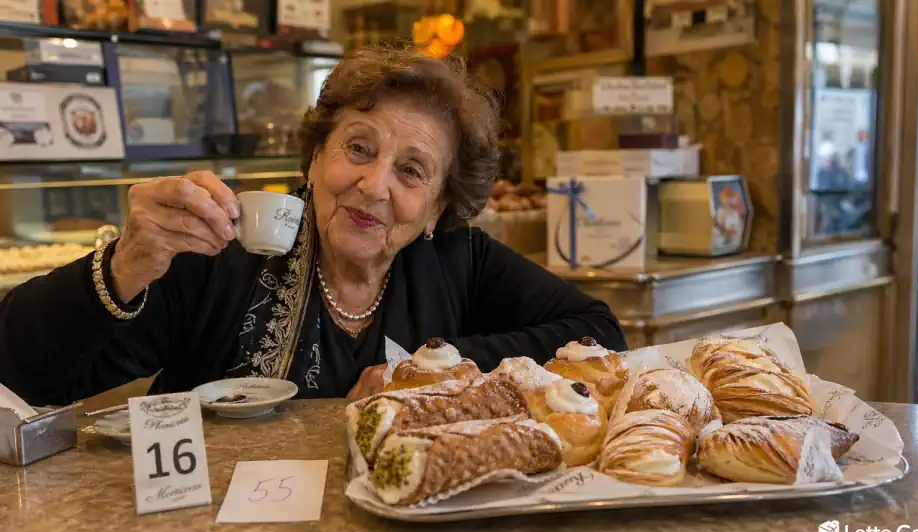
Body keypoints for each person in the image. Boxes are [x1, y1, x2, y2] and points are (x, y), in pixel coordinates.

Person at [0, 45, 626, 406]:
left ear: (437, 209)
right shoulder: (222, 248)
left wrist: (438, 368)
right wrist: (124, 266)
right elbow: (23, 372)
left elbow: (600, 333)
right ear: (315, 158)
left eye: (411, 171)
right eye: (358, 148)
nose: (374, 185)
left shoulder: (459, 260)